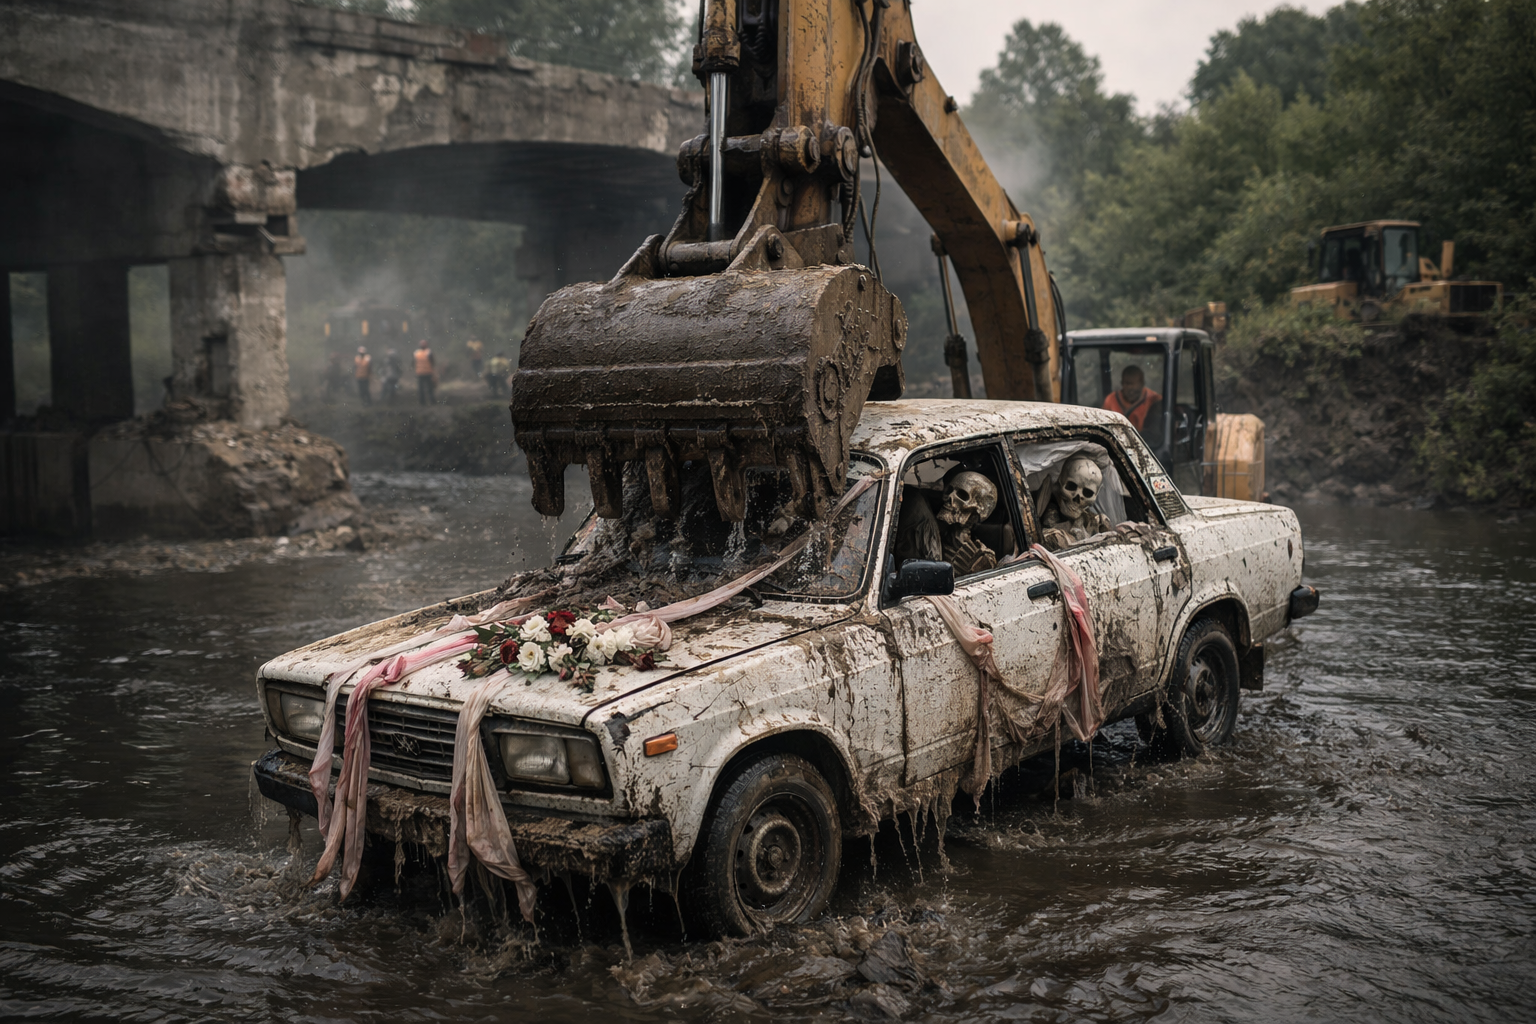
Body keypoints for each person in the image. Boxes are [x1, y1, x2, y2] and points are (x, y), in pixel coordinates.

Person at [1102, 365, 1162, 432]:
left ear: (1142, 383)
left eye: (1134, 389)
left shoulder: (1154, 399)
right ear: (1122, 383)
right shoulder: (1110, 400)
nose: (1130, 389)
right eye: (1127, 384)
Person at [414, 340, 436, 405]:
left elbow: (414, 363)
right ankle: (430, 402)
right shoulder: (428, 352)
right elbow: (433, 362)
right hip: (426, 373)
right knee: (428, 388)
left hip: (423, 373)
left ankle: (424, 402)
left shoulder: (416, 353)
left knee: (424, 389)